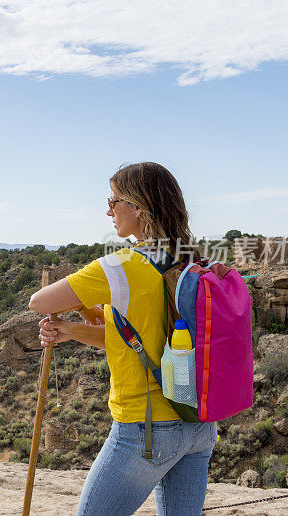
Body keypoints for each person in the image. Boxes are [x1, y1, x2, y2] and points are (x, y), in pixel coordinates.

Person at [28, 161, 217, 516]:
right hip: (198, 425)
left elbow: (39, 301)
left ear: (139, 208)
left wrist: (81, 300)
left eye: (114, 202)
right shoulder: (191, 260)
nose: (108, 211)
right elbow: (138, 339)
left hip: (145, 429)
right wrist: (74, 329)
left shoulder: (119, 267)